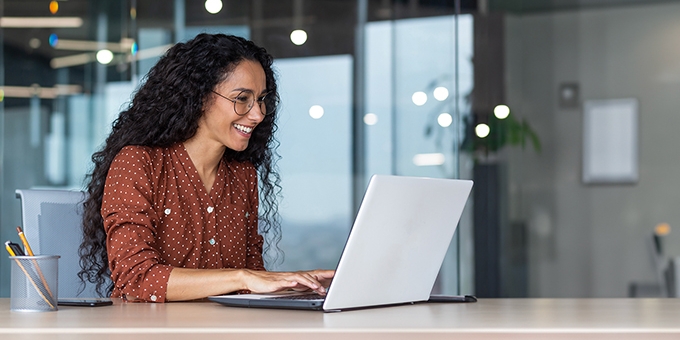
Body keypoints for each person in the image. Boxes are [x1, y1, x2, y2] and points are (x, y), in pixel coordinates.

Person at [78, 33, 334, 302]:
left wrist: (294, 284)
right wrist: (242, 276)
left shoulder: (243, 176)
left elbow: (250, 284)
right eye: (242, 98)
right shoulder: (138, 163)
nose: (258, 114)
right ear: (199, 97)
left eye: (261, 99)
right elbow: (137, 279)